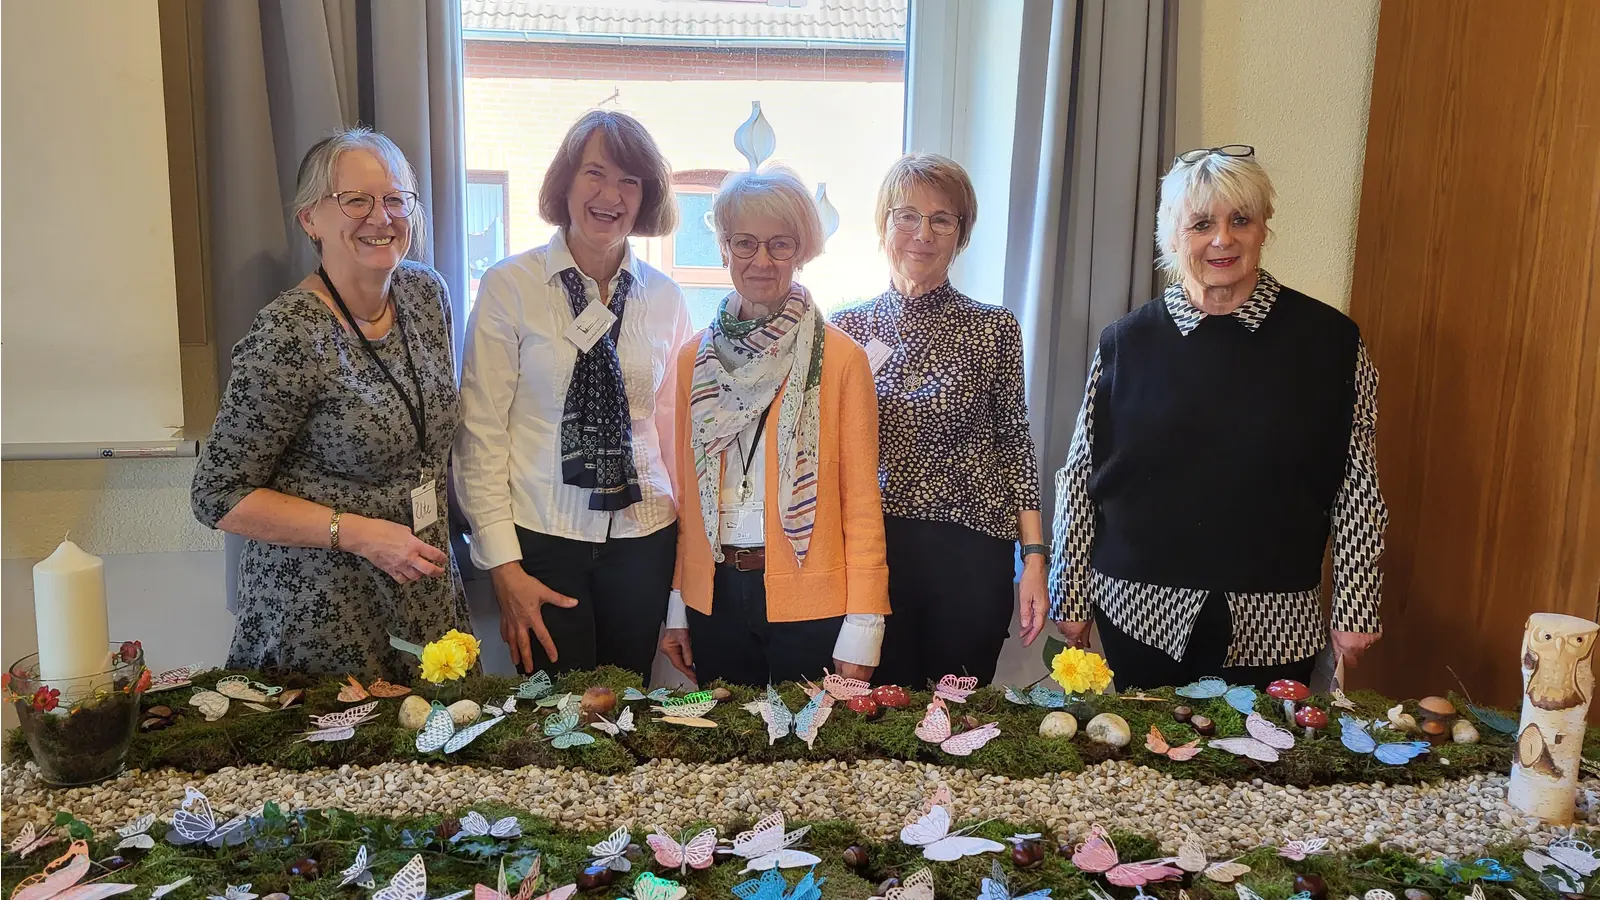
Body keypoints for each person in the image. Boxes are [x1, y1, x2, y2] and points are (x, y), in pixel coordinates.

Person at [1047, 144, 1387, 691]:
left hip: (1276, 615)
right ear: (1172, 237)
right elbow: (1081, 479)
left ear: (1263, 228)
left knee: (1264, 763)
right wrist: (1070, 593)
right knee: (1147, 768)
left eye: (1240, 220)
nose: (1222, 239)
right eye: (1201, 223)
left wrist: (1356, 605)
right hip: (1140, 612)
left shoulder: (1331, 343)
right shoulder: (1125, 342)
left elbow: (1357, 485)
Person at [192, 127, 467, 680]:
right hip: (322, 609)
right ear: (310, 219)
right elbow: (217, 496)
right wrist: (362, 533)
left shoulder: (425, 294)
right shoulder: (288, 332)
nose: (380, 218)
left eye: (395, 200)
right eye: (355, 201)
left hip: (422, 590)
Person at [453, 111, 692, 679]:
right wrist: (502, 565)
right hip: (540, 538)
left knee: (627, 707)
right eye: (595, 173)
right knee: (553, 722)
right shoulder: (509, 287)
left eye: (629, 181)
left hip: (645, 535)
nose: (611, 195)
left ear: (646, 197)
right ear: (565, 181)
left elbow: (673, 432)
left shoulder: (665, 298)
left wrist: (684, 560)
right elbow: (480, 431)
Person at [658, 167, 889, 687]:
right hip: (714, 596)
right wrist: (679, 601)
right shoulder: (694, 358)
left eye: (779, 244)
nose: (761, 260)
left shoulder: (839, 359)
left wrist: (865, 623)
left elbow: (861, 501)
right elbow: (687, 497)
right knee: (730, 755)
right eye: (745, 243)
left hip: (812, 600)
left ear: (801, 252)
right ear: (723, 248)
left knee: (809, 759)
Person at [832, 153, 1046, 688]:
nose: (922, 233)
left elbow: (1014, 446)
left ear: (960, 236)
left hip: (971, 553)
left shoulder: (993, 328)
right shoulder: (843, 330)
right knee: (875, 710)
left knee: (958, 714)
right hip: (875, 553)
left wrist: (1036, 558)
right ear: (883, 226)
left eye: (941, 220)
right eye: (906, 216)